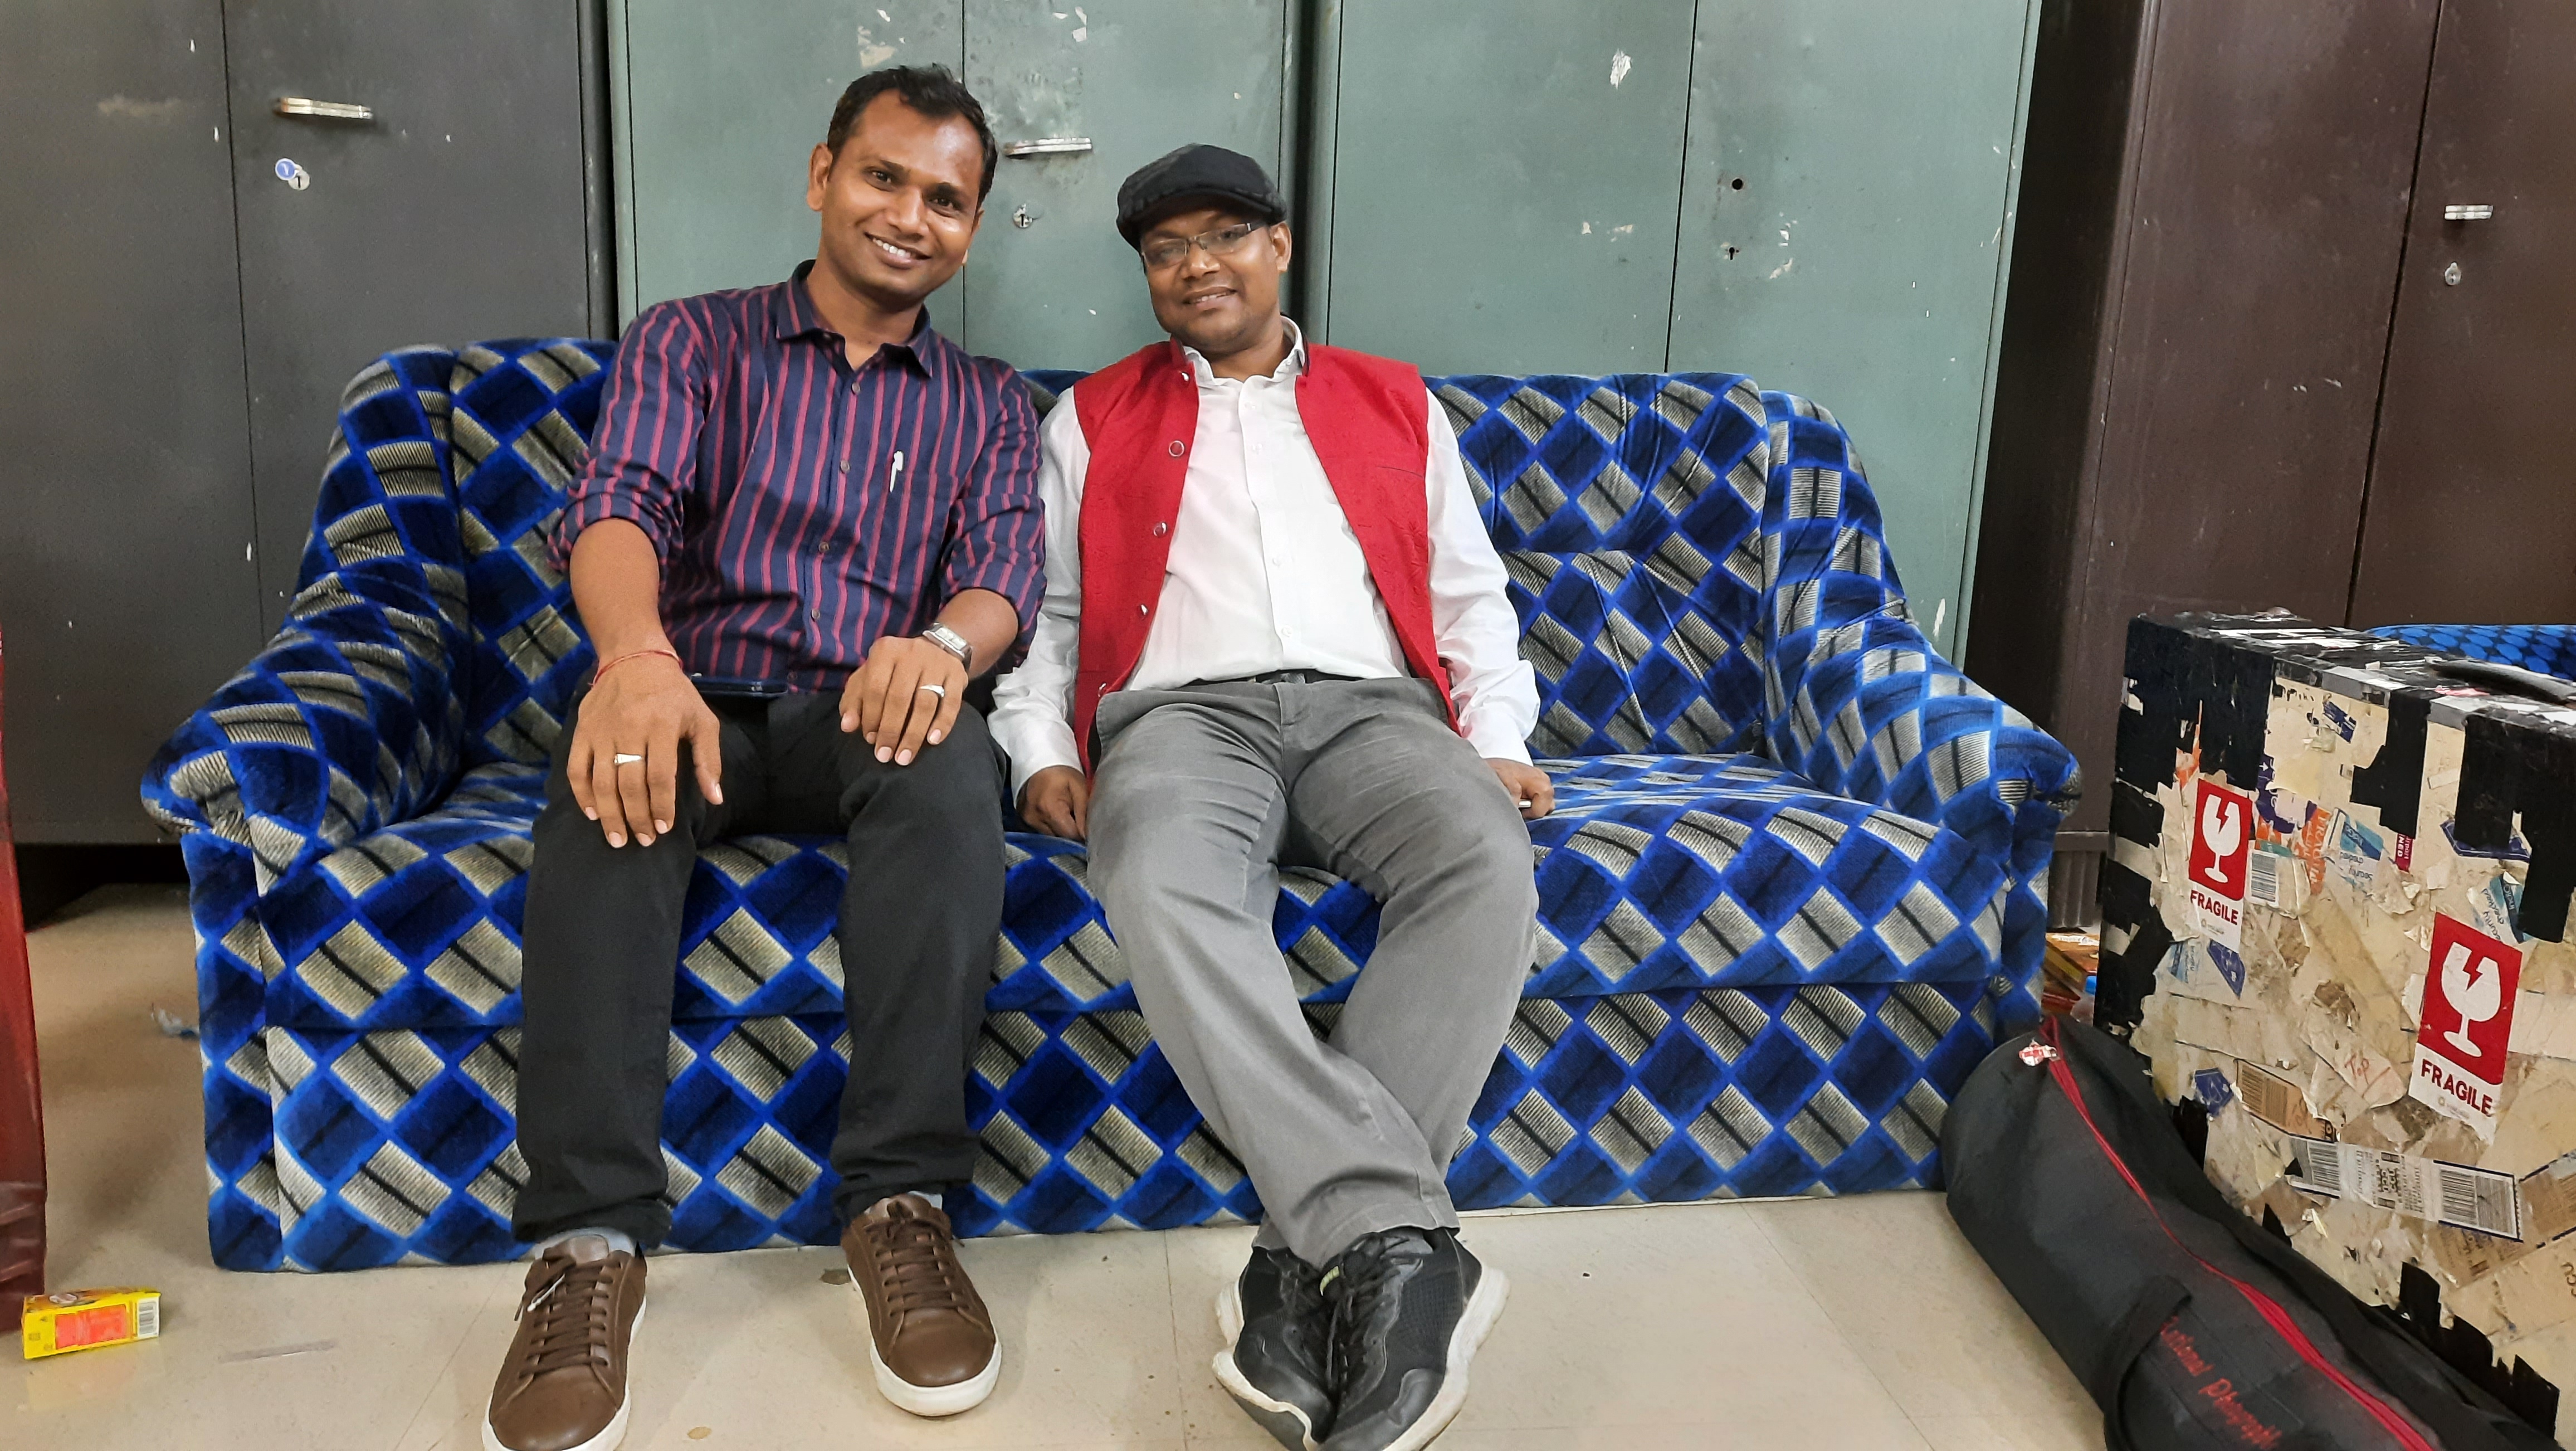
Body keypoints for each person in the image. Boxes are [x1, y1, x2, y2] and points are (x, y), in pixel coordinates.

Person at [481, 66, 1042, 1451]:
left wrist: (945, 649)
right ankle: (588, 1247)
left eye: (945, 199)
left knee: (952, 777)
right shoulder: (695, 340)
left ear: (971, 229)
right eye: (882, 177)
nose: (908, 216)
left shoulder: (984, 402)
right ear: (820, 176)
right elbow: (618, 508)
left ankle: (900, 1208)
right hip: (702, 696)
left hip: (869, 707)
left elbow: (1002, 578)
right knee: (605, 791)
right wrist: (633, 661)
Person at [990, 144, 1547, 1451]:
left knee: (1483, 858)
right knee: (1152, 874)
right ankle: (1401, 1250)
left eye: (1224, 236)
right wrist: (1037, 748)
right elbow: (1048, 610)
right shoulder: (1089, 420)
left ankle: (1302, 1267)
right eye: (1166, 250)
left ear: (1279, 247)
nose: (1197, 265)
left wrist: (1495, 735)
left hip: (1373, 715)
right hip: (1182, 720)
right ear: (1148, 276)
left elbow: (1467, 592)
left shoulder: (1395, 402)